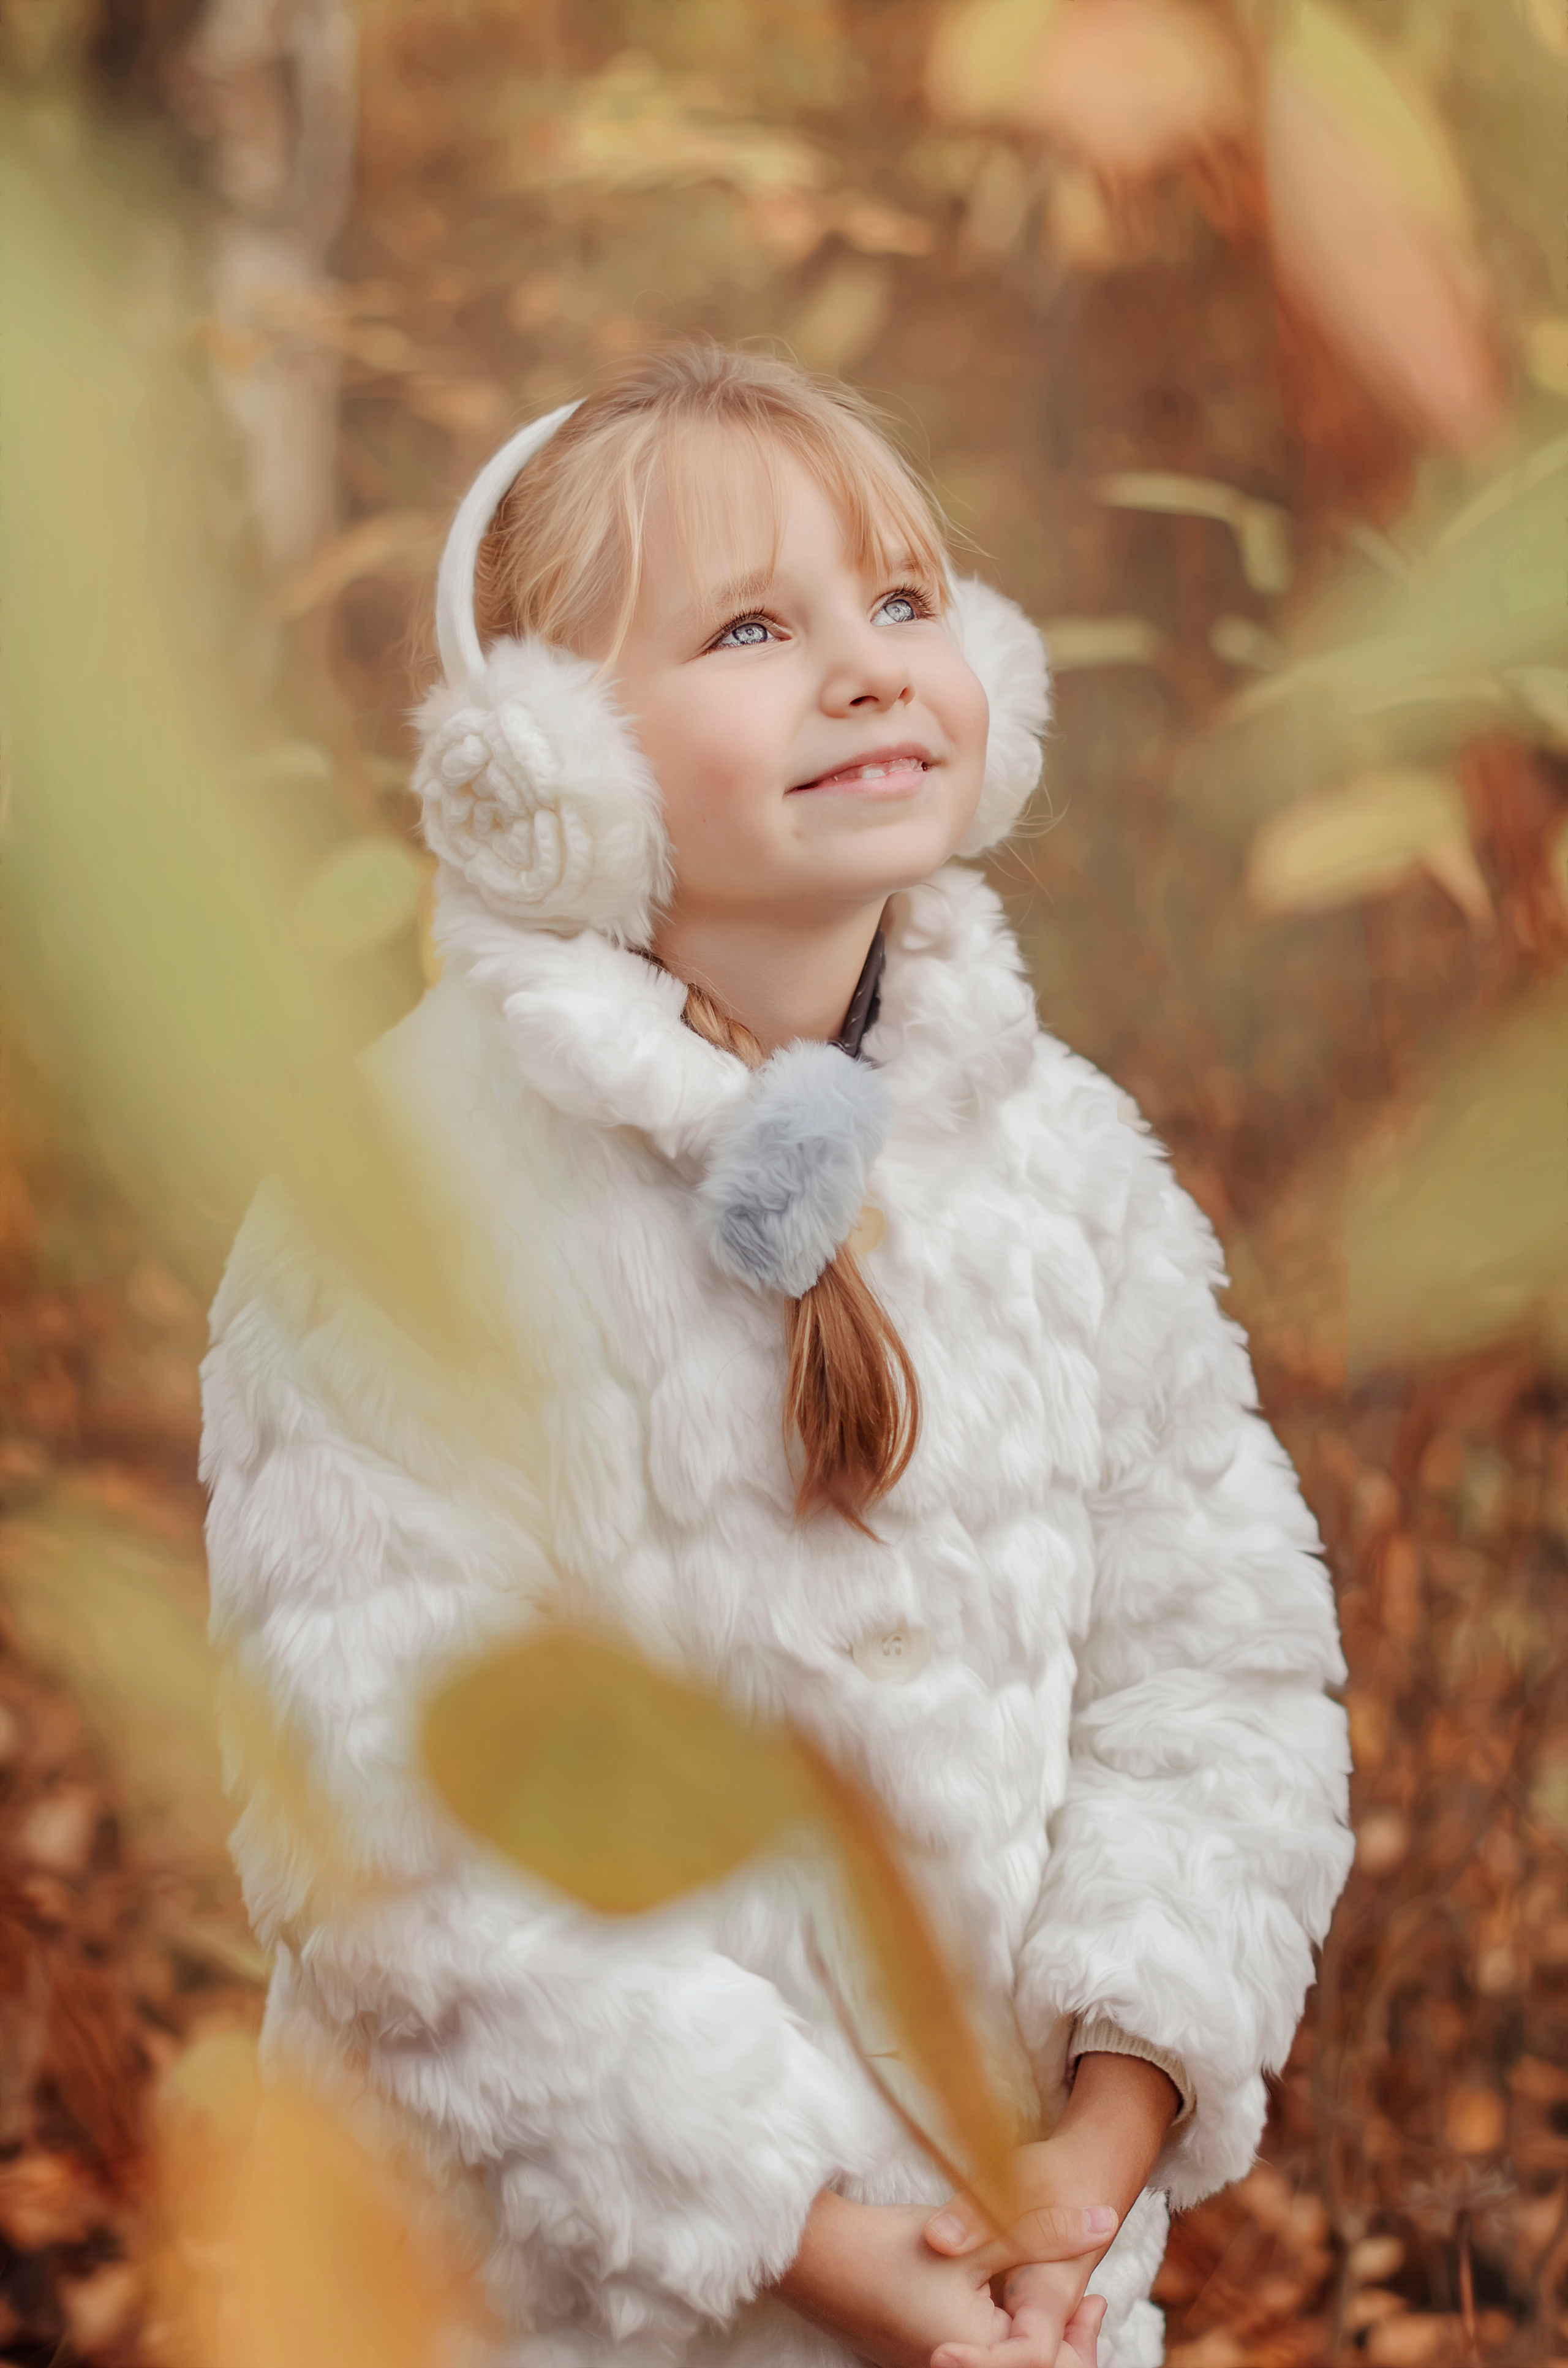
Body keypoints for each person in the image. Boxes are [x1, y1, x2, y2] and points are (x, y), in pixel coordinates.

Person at [200, 344, 1353, 2368]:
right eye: (753, 626)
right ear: (542, 768)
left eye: (904, 601)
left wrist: (1097, 2143)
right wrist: (792, 2229)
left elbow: (1222, 1666)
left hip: (1026, 2287)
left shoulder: (1063, 1163)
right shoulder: (399, 1204)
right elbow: (387, 1822)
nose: (870, 666)